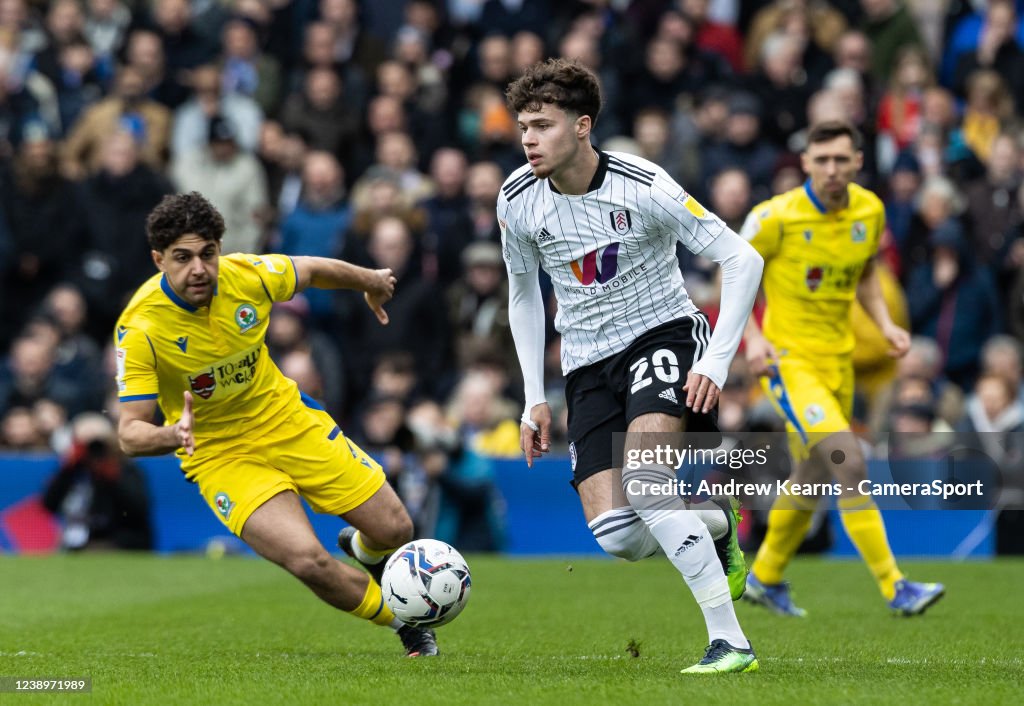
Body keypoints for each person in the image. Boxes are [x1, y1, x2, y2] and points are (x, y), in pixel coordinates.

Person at [500, 59, 764, 674]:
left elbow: (742, 259)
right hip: (587, 364)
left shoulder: (644, 184)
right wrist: (532, 395)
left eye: (542, 125)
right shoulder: (517, 200)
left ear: (583, 126)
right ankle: (715, 523)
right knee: (618, 534)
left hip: (662, 336)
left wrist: (719, 363)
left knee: (648, 485)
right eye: (522, 127)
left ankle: (731, 642)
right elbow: (521, 294)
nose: (528, 139)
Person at [114, 192, 438, 657]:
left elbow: (311, 269)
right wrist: (171, 435)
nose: (199, 269)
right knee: (308, 560)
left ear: (220, 248)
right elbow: (129, 433)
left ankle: (366, 551)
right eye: (182, 258)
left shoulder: (247, 276)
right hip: (220, 454)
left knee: (395, 530)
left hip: (286, 419)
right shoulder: (141, 327)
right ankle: (404, 622)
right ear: (158, 259)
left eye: (208, 254)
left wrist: (368, 280)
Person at [739, 120, 945, 617]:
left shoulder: (869, 211)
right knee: (846, 460)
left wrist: (886, 324)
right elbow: (734, 274)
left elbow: (868, 274)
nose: (831, 169)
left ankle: (763, 577)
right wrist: (753, 336)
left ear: (857, 162)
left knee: (811, 475)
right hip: (789, 362)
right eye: (821, 159)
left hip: (841, 362)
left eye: (841, 159)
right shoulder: (774, 217)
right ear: (806, 163)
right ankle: (895, 586)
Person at [42, 412, 154, 551]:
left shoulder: (125, 468)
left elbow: (139, 508)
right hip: (76, 540)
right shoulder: (73, 470)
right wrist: (68, 470)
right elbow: (48, 505)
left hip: (117, 540)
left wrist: (112, 475)